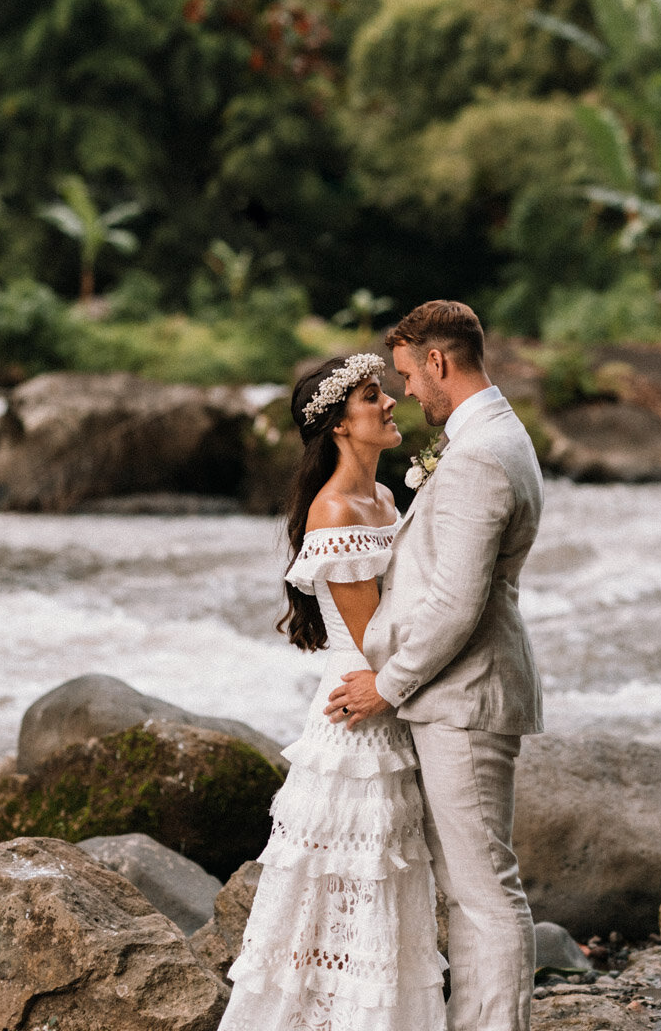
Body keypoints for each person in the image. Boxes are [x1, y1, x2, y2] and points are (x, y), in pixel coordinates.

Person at [325, 300, 546, 1031]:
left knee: (485, 892)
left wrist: (387, 685)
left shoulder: (480, 454)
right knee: (472, 885)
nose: (408, 391)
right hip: (459, 693)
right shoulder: (489, 435)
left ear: (440, 362)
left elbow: (456, 601)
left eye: (411, 374)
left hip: (467, 695)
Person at [219, 352, 447, 1031]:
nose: (388, 404)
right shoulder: (338, 509)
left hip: (388, 710)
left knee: (382, 894)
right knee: (340, 901)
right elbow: (378, 637)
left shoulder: (384, 497)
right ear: (341, 427)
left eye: (383, 391)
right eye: (372, 397)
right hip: (358, 726)